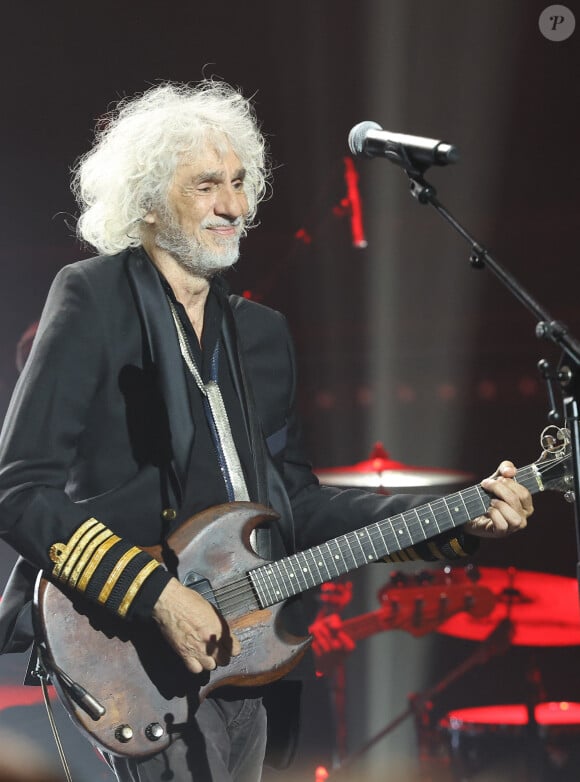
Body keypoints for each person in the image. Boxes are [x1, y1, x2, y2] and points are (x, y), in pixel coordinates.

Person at [0, 81, 533, 782]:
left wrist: (463, 517)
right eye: (206, 186)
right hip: (136, 648)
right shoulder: (94, 297)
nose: (235, 206)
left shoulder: (261, 334)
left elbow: (299, 507)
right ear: (151, 199)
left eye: (241, 182)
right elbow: (21, 489)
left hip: (252, 660)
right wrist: (159, 596)